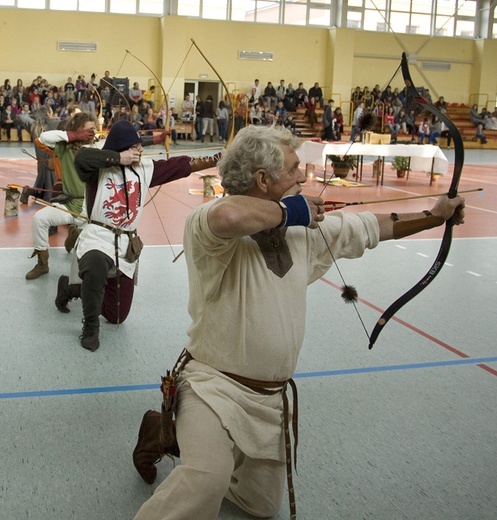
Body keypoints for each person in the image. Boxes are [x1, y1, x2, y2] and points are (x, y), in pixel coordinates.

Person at [131, 124, 465, 520]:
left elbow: (372, 226)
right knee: (207, 478)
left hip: (269, 398)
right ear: (263, 179)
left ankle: (166, 431)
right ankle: (194, 446)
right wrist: (292, 211)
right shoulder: (209, 226)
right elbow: (230, 214)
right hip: (212, 385)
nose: (304, 176)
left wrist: (433, 216)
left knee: (261, 505)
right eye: (293, 169)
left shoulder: (304, 232)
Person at [55, 120, 221, 351]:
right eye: (135, 146)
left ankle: (71, 288)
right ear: (122, 147)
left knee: (116, 316)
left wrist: (218, 158)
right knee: (95, 267)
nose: (141, 149)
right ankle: (91, 326)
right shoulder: (98, 168)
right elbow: (81, 159)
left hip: (125, 242)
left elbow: (183, 166)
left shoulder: (145, 169)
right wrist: (118, 159)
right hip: (98, 237)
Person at [25, 112, 98, 280]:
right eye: (88, 130)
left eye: (94, 129)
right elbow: (42, 139)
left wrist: (156, 140)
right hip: (70, 204)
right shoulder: (65, 147)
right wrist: (72, 136)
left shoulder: (98, 148)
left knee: (87, 253)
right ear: (77, 130)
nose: (92, 133)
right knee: (39, 219)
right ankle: (42, 264)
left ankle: (75, 233)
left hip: (91, 209)